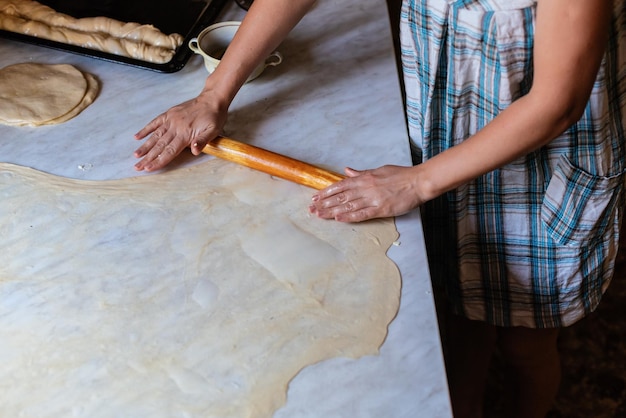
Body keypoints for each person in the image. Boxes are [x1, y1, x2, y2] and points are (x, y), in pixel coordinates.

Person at [133, 0, 626, 417]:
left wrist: (416, 183)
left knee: (526, 342)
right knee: (458, 323)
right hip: (445, 137)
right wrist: (214, 95)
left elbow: (558, 102)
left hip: (541, 166)